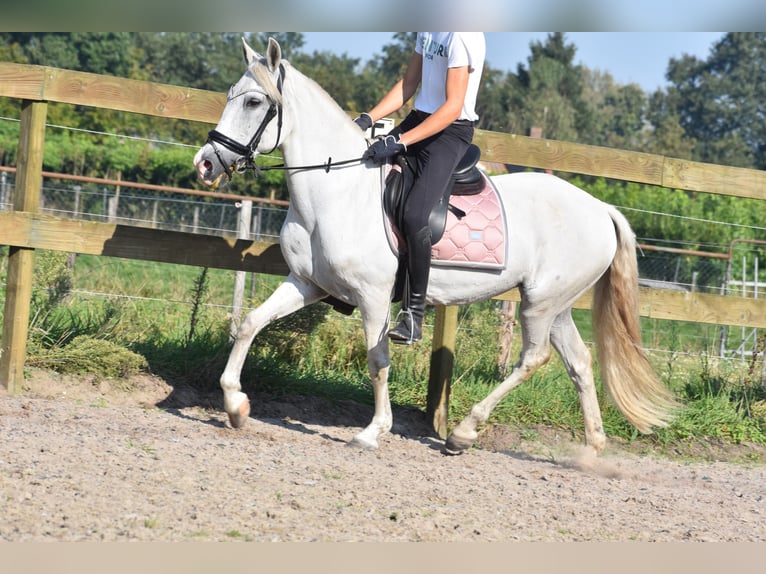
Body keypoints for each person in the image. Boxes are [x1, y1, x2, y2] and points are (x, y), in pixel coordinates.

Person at [354, 32, 486, 344]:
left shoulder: (462, 35)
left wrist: (398, 142)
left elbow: (453, 107)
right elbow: (408, 85)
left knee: (415, 215)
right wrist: (366, 119)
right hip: (419, 119)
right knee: (363, 171)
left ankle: (413, 315)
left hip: (450, 132)